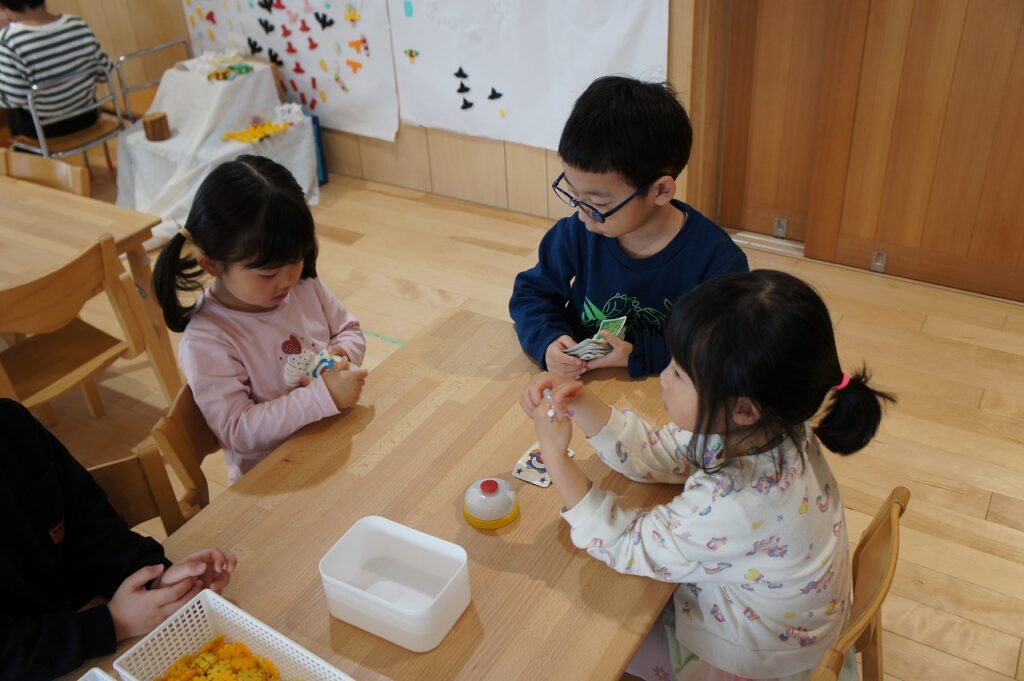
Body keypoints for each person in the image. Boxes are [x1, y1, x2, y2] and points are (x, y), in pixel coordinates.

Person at [520, 270, 894, 680]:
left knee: (584, 642)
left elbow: (625, 544)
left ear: (743, 409)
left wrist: (556, 459)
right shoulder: (779, 425)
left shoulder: (734, 503)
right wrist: (583, 404)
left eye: (680, 374)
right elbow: (666, 453)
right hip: (792, 631)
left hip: (751, 662)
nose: (664, 378)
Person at [509, 75, 748, 380]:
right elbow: (531, 294)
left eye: (598, 203)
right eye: (573, 194)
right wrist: (548, 340)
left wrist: (638, 355)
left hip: (662, 389)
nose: (582, 215)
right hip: (581, 384)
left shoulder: (717, 260)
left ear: (661, 190)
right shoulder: (576, 233)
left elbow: (722, 348)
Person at [153, 155, 367, 483]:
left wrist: (342, 354)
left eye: (295, 259)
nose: (288, 279)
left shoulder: (303, 285)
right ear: (212, 265)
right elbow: (238, 430)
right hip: (275, 478)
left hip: (334, 439)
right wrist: (323, 396)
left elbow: (348, 329)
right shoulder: (207, 340)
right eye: (268, 273)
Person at [0, 399, 237, 680]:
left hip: (99, 632)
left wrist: (156, 580)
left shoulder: (11, 424)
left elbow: (93, 526)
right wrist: (113, 623)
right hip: (47, 658)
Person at [0, 0, 113, 138]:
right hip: (87, 118)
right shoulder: (77, 24)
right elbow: (105, 73)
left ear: (3, 7)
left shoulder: (8, 41)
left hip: (45, 130)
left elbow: (13, 100)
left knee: (14, 113)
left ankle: (28, 152)